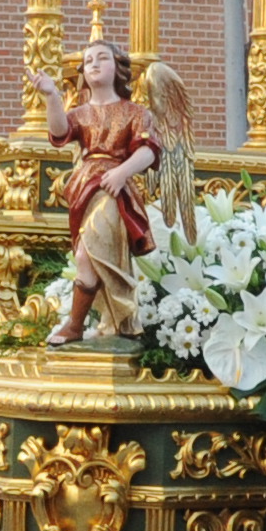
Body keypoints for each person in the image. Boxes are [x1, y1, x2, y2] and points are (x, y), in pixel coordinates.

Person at [23, 38, 158, 343]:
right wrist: (52, 96)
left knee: (88, 255)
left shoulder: (136, 112)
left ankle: (74, 325)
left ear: (118, 67)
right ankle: (115, 321)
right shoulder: (82, 113)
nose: (94, 64)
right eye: (88, 61)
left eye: (102, 58)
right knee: (93, 254)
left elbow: (149, 150)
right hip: (85, 189)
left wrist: (122, 172)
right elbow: (59, 132)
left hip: (114, 190)